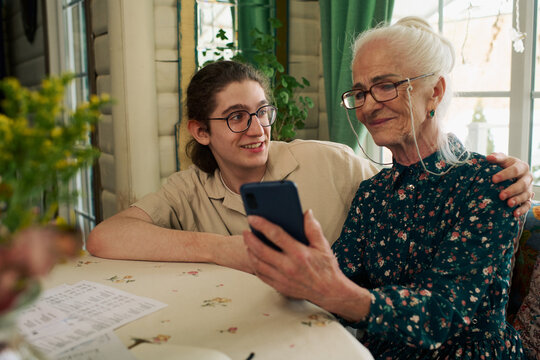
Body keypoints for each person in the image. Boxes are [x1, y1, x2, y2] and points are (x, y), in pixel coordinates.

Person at [243, 18, 527, 359]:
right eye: (360, 92)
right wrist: (300, 276)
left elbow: (441, 315)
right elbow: (337, 280)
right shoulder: (371, 194)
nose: (368, 105)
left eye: (386, 85)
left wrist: (336, 293)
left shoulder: (488, 185)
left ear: (435, 91)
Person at [87, 60, 533, 275]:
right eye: (237, 117)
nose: (257, 129)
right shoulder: (188, 189)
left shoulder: (330, 160)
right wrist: (223, 249)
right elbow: (105, 236)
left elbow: (411, 186)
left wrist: (503, 174)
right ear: (201, 131)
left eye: (262, 112)